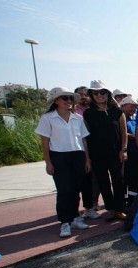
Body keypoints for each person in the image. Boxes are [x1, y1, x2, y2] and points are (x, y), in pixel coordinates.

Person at [35, 87, 91, 237]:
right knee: (64, 189)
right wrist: (48, 162)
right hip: (59, 157)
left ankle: (75, 218)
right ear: (56, 101)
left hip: (77, 156)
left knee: (75, 189)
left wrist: (87, 159)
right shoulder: (47, 118)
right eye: (65, 98)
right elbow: (45, 141)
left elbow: (83, 140)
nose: (69, 101)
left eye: (70, 98)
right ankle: (64, 222)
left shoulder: (78, 118)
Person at [83, 80, 127, 221]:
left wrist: (123, 150)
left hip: (115, 153)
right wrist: (88, 158)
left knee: (118, 181)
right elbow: (85, 137)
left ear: (107, 93)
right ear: (92, 95)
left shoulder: (118, 111)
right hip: (97, 155)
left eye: (102, 92)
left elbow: (124, 133)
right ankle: (112, 209)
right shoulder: (88, 114)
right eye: (95, 93)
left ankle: (120, 209)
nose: (99, 95)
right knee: (103, 183)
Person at [73, 86, 100, 219]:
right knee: (78, 181)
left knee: (94, 179)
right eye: (80, 94)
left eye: (85, 94)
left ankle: (92, 205)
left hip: (94, 148)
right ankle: (74, 210)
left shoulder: (94, 110)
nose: (83, 96)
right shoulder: (72, 112)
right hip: (78, 149)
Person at [120, 96, 138, 207]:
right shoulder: (121, 117)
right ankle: (123, 204)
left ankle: (133, 202)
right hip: (125, 154)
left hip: (136, 153)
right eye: (131, 106)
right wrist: (136, 136)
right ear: (123, 106)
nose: (134, 108)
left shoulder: (135, 118)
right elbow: (123, 133)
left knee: (135, 178)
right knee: (124, 179)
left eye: (135, 106)